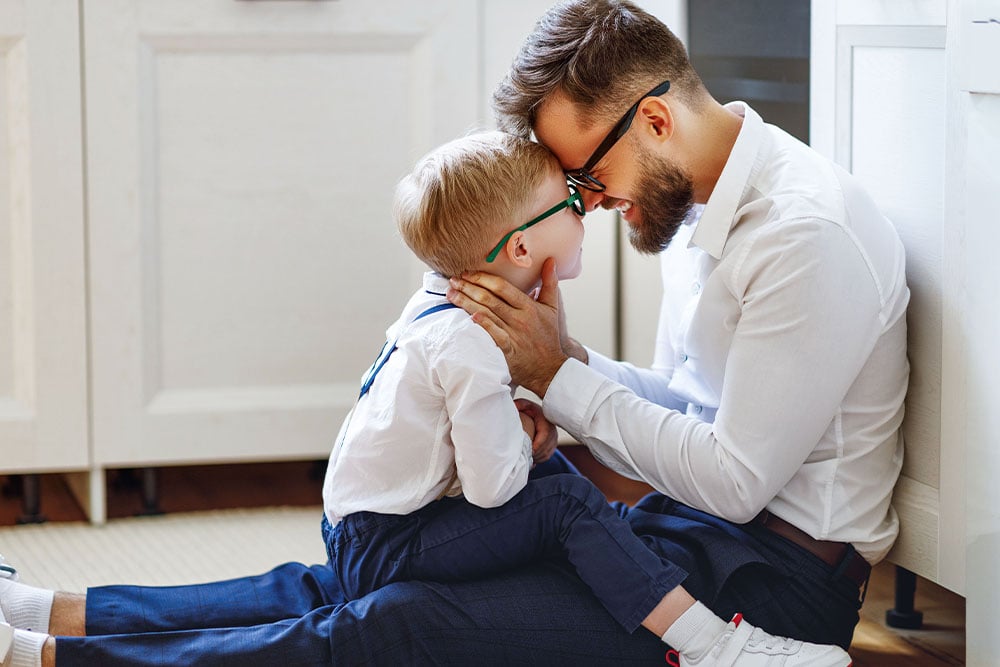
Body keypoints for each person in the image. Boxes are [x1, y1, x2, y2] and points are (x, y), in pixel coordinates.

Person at [0, 129, 853, 666]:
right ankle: (709, 646)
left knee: (358, 599)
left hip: (377, 527)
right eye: (571, 194)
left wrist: (554, 385)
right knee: (524, 523)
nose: (588, 200)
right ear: (519, 246)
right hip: (413, 529)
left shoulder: (445, 297)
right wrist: (543, 412)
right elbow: (497, 485)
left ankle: (47, 622)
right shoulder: (476, 336)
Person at [445, 0, 908, 660]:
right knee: (386, 580)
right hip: (687, 535)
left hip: (776, 586)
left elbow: (734, 482)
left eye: (590, 176)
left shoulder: (802, 234)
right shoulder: (694, 207)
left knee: (408, 621)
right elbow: (682, 400)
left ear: (656, 120)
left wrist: (557, 376)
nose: (591, 202)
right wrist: (563, 361)